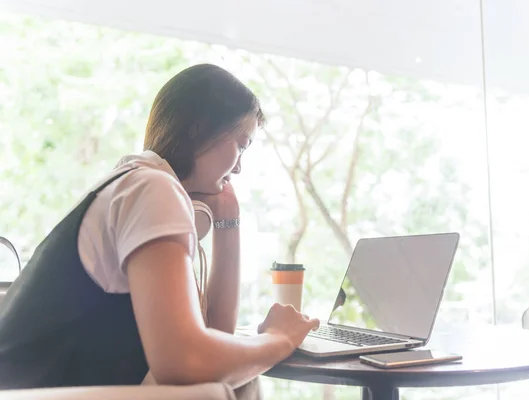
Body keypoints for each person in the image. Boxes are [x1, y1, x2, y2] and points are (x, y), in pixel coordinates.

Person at [0, 64, 320, 391]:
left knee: (240, 379)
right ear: (201, 127)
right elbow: (185, 363)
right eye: (241, 144)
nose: (239, 167)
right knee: (232, 385)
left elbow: (215, 340)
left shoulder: (136, 181)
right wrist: (280, 340)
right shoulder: (151, 188)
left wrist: (228, 223)